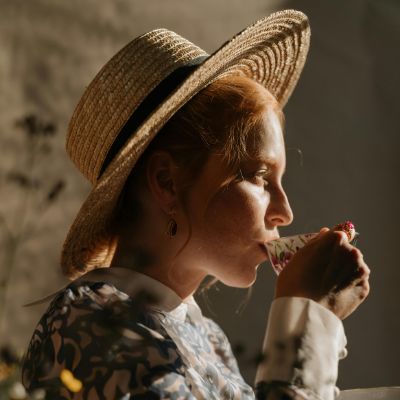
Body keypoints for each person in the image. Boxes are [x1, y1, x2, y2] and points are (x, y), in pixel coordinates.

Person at [21, 9, 370, 400]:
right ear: (167, 183)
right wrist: (305, 320)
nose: (285, 212)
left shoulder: (207, 337)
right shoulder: (92, 325)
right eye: (257, 175)